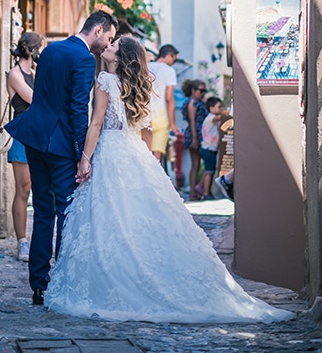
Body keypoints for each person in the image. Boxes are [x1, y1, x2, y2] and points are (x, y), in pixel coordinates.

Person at [44, 36, 293, 323]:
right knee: (136, 217)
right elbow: (144, 129)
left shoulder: (104, 81)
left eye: (113, 45)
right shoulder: (135, 85)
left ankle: (116, 280)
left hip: (110, 151)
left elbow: (97, 122)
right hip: (133, 150)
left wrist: (85, 158)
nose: (107, 45)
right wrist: (147, 158)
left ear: (120, 56)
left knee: (110, 216)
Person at [5, 10, 117, 305]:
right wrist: (83, 153)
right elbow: (78, 108)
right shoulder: (82, 59)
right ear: (98, 29)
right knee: (66, 211)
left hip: (34, 138)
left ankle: (39, 285)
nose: (107, 45)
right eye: (108, 38)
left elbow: (43, 96)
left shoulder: (52, 49)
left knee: (42, 211)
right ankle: (64, 282)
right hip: (61, 145)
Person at [5, 31, 45, 262]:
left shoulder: (36, 73)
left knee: (38, 188)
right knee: (23, 188)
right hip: (21, 133)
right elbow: (34, 98)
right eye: (41, 48)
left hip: (38, 133)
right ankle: (22, 242)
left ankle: (36, 239)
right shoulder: (14, 74)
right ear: (31, 50)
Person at [148, 44, 180, 163]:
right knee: (156, 158)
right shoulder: (169, 71)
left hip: (145, 116)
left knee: (144, 153)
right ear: (168, 56)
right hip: (161, 117)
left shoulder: (146, 66)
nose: (173, 62)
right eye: (174, 59)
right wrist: (173, 123)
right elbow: (169, 97)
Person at [182, 78, 209, 200]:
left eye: (205, 91)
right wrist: (195, 138)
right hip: (196, 134)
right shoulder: (192, 103)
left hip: (201, 133)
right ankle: (193, 191)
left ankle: (196, 190)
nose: (203, 93)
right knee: (196, 164)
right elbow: (192, 120)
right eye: (201, 90)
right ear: (193, 90)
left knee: (200, 163)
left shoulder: (197, 102)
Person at [200, 96, 222, 199]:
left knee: (209, 170)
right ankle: (206, 193)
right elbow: (218, 117)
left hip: (209, 148)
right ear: (211, 108)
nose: (220, 109)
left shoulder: (211, 118)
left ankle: (202, 188)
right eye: (219, 107)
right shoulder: (210, 118)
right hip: (208, 148)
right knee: (210, 171)